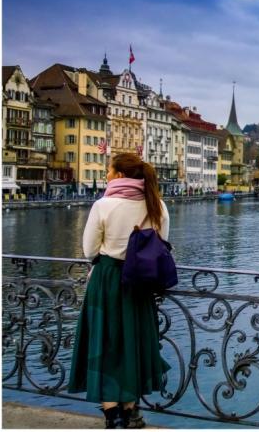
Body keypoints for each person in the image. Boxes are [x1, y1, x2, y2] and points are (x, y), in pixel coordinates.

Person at [68, 153, 171, 428]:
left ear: (121, 175)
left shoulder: (104, 205)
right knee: (132, 343)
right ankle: (130, 409)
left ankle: (112, 414)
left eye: (109, 171)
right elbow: (162, 246)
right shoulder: (157, 205)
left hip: (108, 280)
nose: (106, 175)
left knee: (105, 342)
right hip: (140, 283)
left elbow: (89, 250)